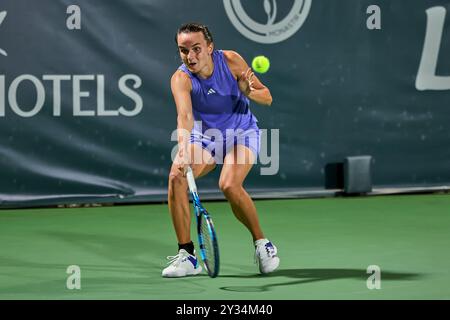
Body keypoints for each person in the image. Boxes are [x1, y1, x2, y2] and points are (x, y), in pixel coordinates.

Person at [162, 22, 279, 278]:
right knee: (176, 176)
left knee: (229, 184)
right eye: (184, 50)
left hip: (242, 133)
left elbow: (266, 96)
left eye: (196, 49)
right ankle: (187, 255)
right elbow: (184, 115)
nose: (190, 56)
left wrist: (248, 91)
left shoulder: (231, 61)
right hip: (206, 138)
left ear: (210, 47)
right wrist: (183, 147)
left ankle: (262, 244)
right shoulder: (180, 78)